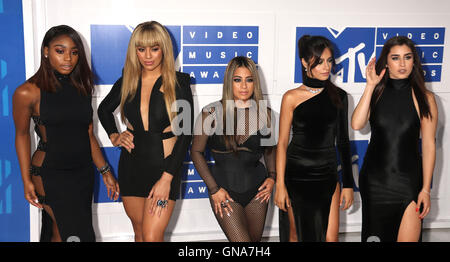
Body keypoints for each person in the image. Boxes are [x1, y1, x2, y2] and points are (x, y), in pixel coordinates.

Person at [13, 25, 119, 242]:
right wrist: (26, 180)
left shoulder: (82, 86)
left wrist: (105, 170)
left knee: (59, 232)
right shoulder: (27, 92)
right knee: (76, 236)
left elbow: (88, 134)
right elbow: (22, 135)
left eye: (74, 52)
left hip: (82, 173)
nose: (68, 58)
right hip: (50, 173)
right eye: (59, 51)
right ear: (46, 51)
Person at [97, 21, 193, 242]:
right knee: (140, 234)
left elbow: (185, 134)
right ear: (134, 51)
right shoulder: (127, 81)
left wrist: (167, 178)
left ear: (164, 50)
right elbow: (103, 110)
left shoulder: (178, 83)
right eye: (141, 49)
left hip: (164, 168)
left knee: (151, 236)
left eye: (155, 48)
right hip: (131, 167)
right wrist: (114, 135)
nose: (148, 56)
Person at [351, 36, 438, 242]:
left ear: (414, 61)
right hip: (375, 182)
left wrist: (425, 189)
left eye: (407, 57)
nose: (402, 64)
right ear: (386, 62)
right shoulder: (377, 92)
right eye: (395, 58)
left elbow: (429, 145)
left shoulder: (425, 97)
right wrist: (370, 85)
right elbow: (356, 124)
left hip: (409, 183)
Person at [274, 35, 354, 242]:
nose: (325, 67)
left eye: (329, 61)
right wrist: (280, 185)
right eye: (319, 62)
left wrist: (348, 184)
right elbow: (282, 144)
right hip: (296, 176)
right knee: (295, 235)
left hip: (327, 176)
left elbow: (343, 142)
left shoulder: (340, 96)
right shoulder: (291, 97)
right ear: (304, 62)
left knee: (330, 238)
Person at [190, 56, 276, 242]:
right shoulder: (211, 113)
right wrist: (214, 189)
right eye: (237, 80)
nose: (244, 86)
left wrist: (272, 177)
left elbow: (270, 150)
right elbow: (195, 152)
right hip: (225, 192)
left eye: (249, 79)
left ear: (255, 83)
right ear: (229, 82)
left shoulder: (265, 114)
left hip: (257, 192)